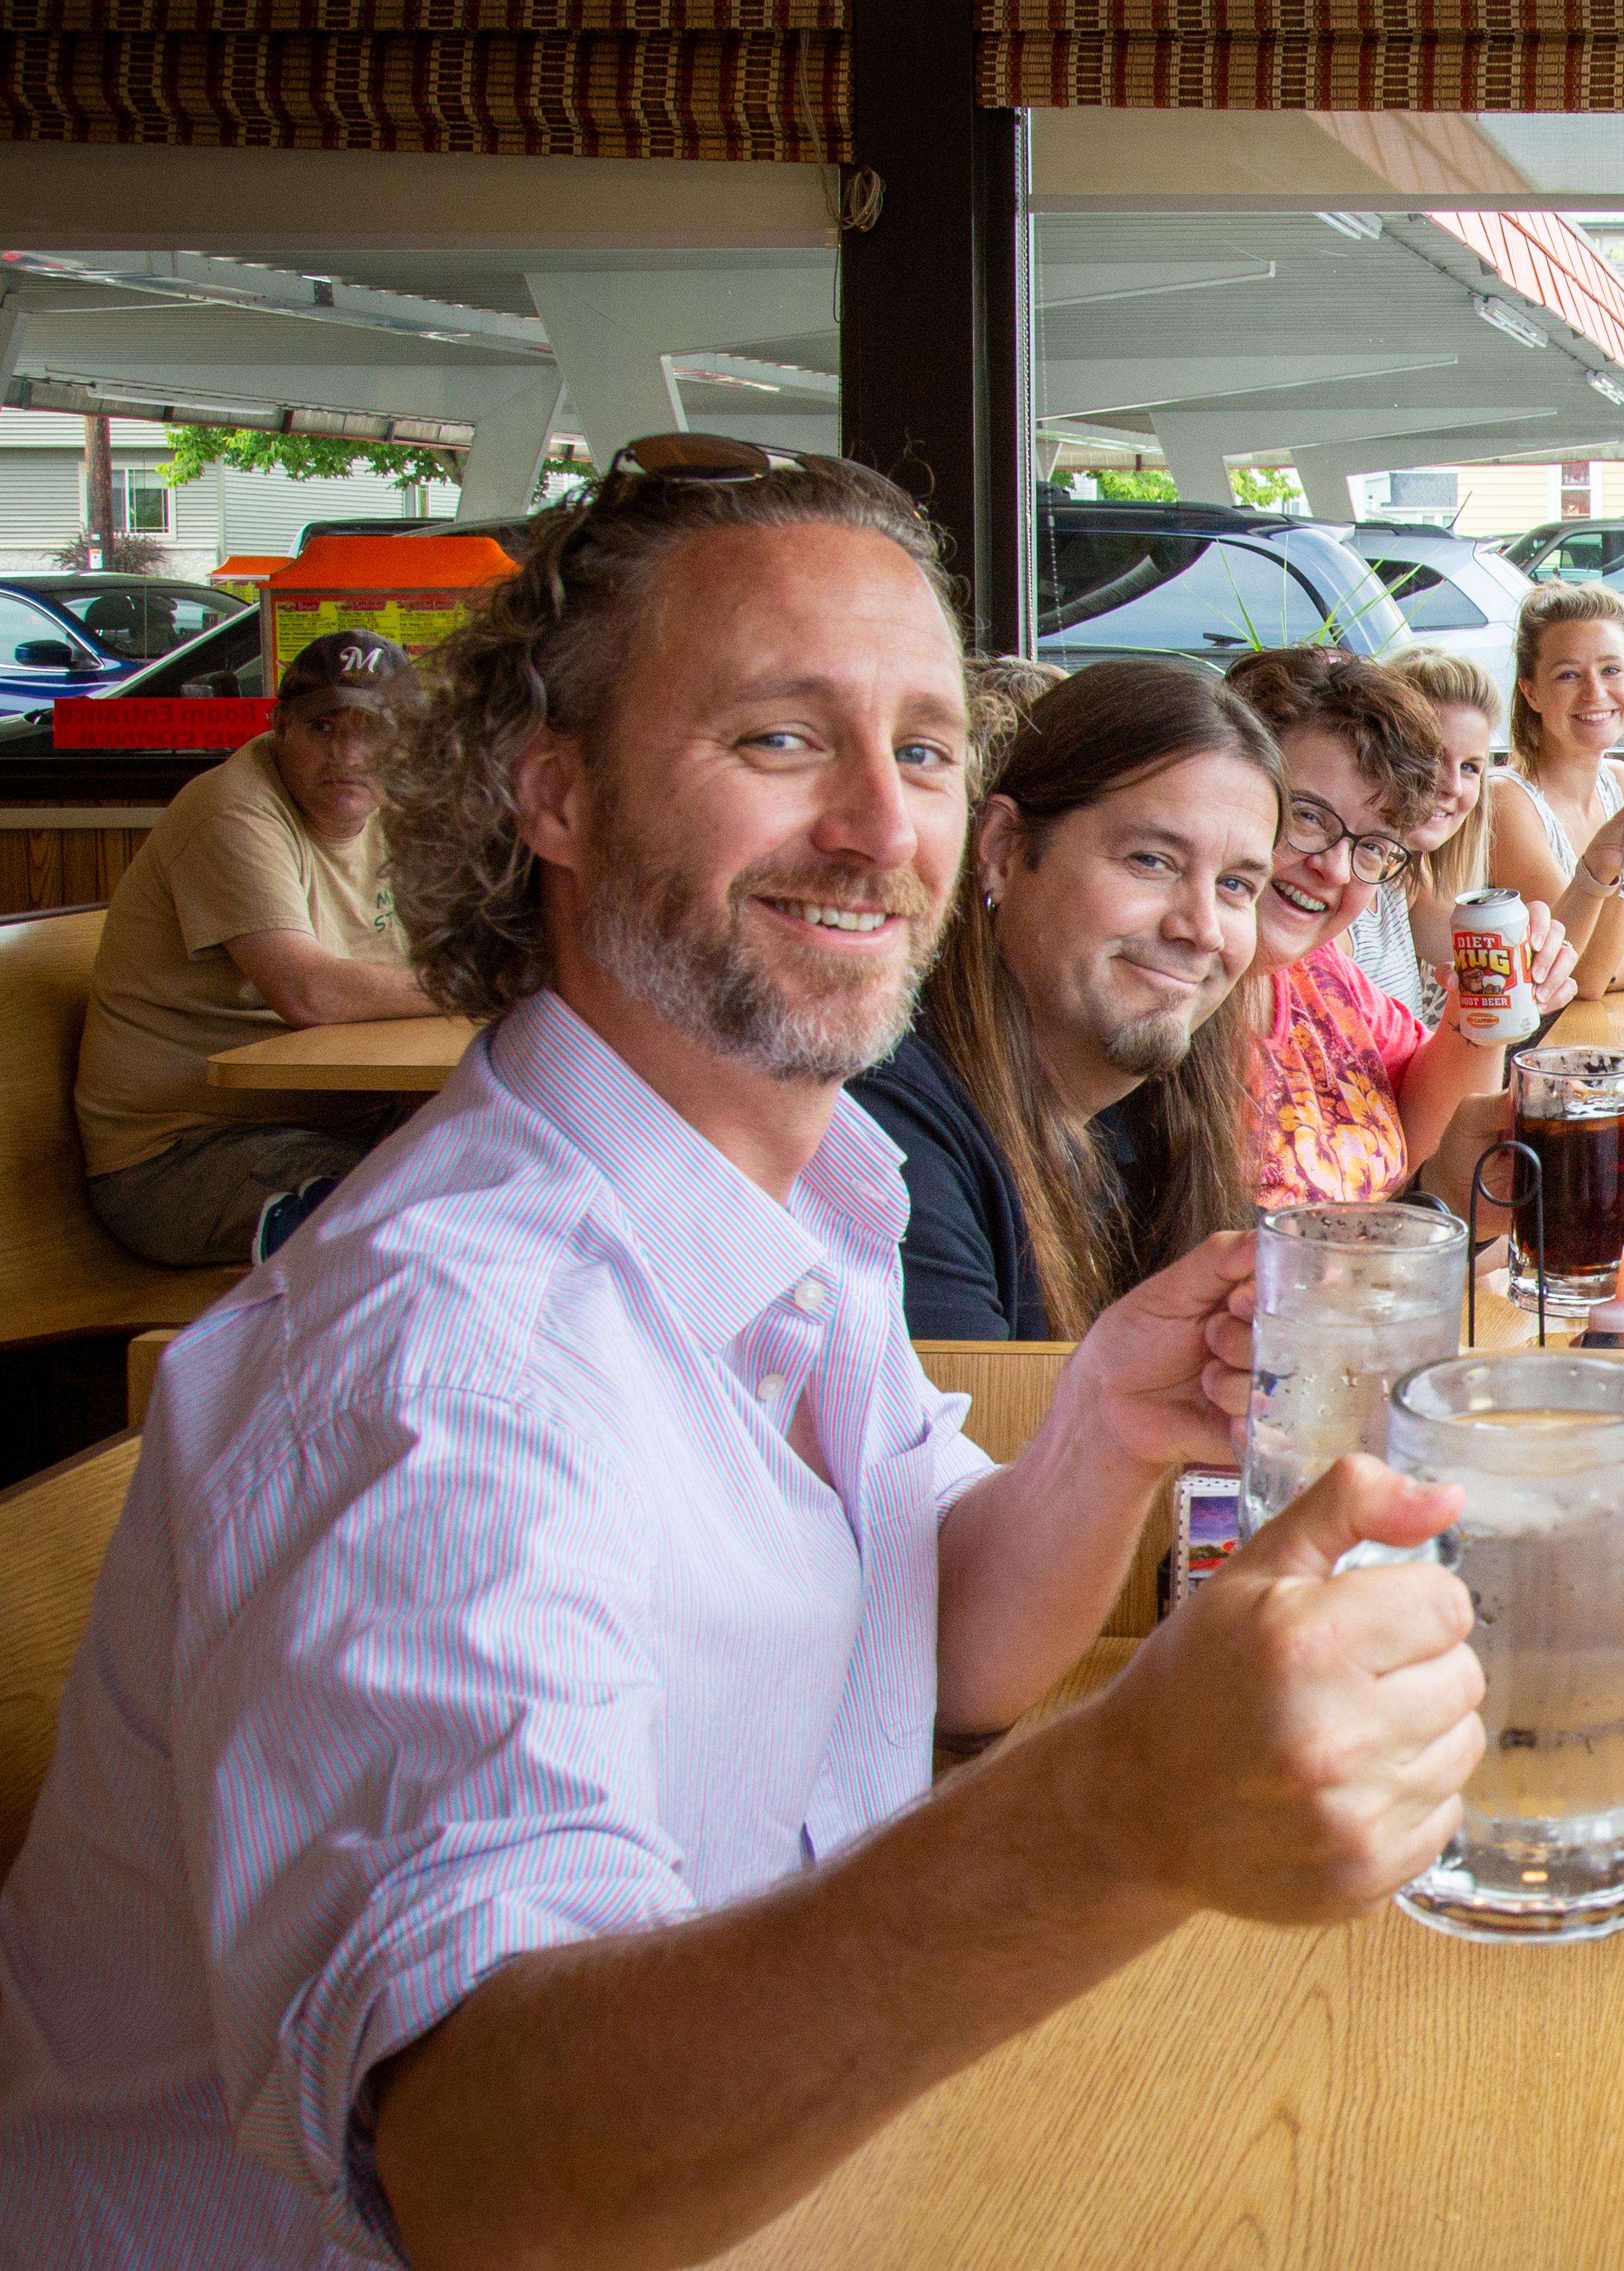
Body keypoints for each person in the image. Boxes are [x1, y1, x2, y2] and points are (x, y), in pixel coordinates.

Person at [0, 444, 1487, 2267]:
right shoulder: (444, 1363)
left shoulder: (787, 1200)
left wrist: (1101, 1414)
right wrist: (1107, 1820)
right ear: (548, 789)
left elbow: (938, 1645)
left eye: (925, 749)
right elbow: (490, 2174)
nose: (882, 828)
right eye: (782, 742)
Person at [848, 660, 1277, 1339]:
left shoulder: (1152, 1121)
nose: (1201, 930)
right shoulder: (887, 1130)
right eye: (1151, 861)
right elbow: (982, 1436)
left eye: (1235, 886)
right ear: (1002, 851)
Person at [74, 628, 439, 1265]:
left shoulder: (397, 814)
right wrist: (480, 982)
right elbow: (309, 992)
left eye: (375, 730)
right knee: (399, 1228)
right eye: (324, 727)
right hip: (180, 1156)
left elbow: (457, 940)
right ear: (280, 729)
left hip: (327, 1120)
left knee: (508, 1168)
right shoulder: (232, 809)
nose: (349, 754)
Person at [1221, 643, 1571, 1212]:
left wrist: (1479, 1011)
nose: (1334, 867)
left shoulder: (1321, 973)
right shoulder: (1168, 1009)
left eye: (1372, 845)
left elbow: (1427, 1137)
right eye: (1308, 816)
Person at [1485, 579, 1624, 1001]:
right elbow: (1574, 976)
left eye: (1610, 670)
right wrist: (1595, 975)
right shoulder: (1507, 801)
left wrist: (1601, 973)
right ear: (1532, 692)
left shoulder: (1619, 781)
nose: (1595, 692)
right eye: (1569, 675)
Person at [1358, 646, 1505, 1032]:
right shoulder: (1337, 891)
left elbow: (1505, 971)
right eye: (1432, 757)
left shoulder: (1401, 877)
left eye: (1471, 768)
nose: (1452, 786)